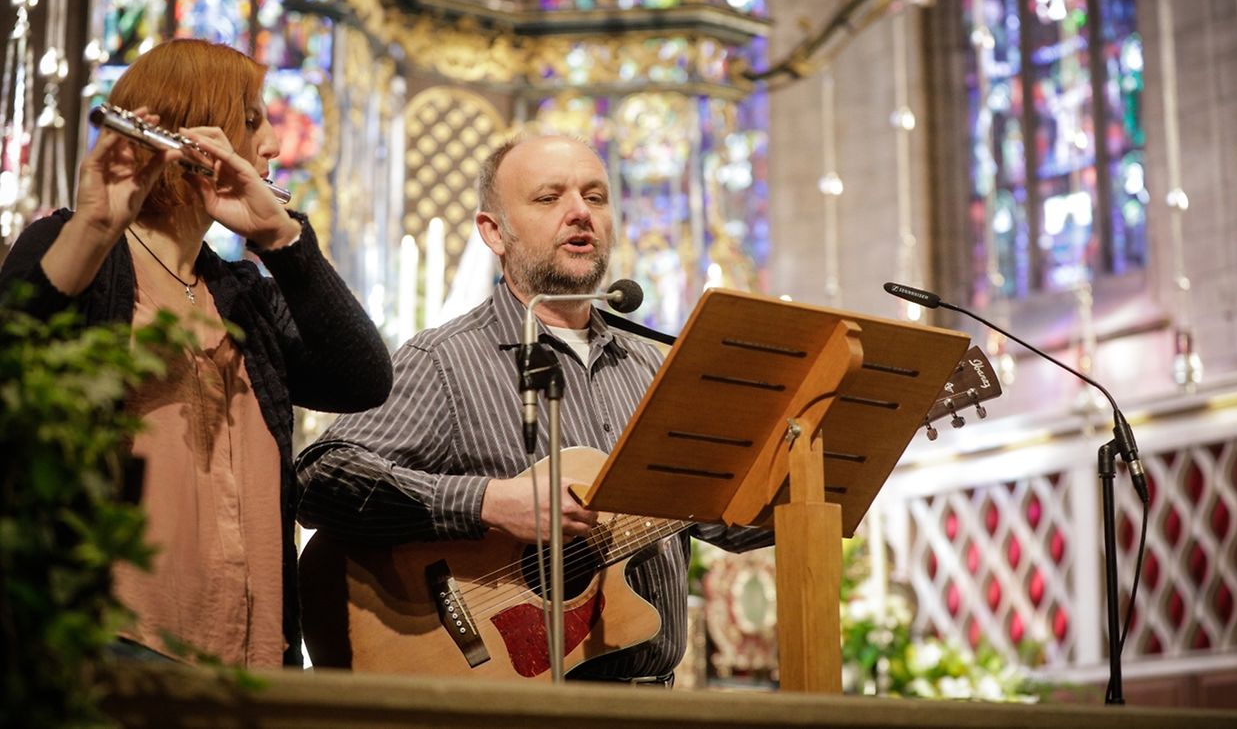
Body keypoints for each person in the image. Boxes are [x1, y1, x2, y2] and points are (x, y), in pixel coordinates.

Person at [295, 135, 771, 684]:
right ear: (494, 232)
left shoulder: (658, 370)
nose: (580, 214)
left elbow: (728, 519)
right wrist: (489, 503)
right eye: (549, 199)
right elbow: (320, 477)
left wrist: (805, 473)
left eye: (595, 197)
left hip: (652, 704)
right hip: (504, 709)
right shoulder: (445, 360)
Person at [0, 38, 393, 668]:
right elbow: (12, 363)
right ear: (194, 135)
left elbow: (364, 379)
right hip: (114, 641)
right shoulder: (78, 249)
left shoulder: (241, 294)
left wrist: (284, 241)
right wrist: (96, 228)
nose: (273, 144)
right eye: (252, 120)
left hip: (251, 651)